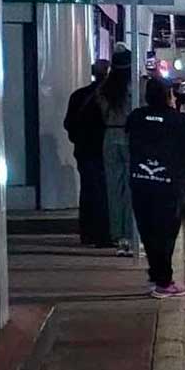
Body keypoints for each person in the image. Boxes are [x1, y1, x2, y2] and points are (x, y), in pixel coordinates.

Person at [126, 77, 185, 298]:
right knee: (165, 232)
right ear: (168, 95)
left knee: (147, 229)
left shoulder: (136, 117)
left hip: (141, 180)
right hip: (168, 183)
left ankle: (157, 275)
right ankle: (164, 281)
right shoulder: (178, 120)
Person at [64, 59, 111, 246]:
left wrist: (79, 140)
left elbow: (68, 123)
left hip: (85, 150)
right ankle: (104, 233)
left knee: (88, 191)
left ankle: (88, 232)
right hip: (104, 150)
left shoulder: (79, 95)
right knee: (106, 192)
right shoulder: (112, 96)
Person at [98, 44, 135, 255]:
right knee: (131, 188)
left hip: (109, 136)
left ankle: (118, 236)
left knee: (113, 188)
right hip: (130, 136)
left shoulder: (104, 88)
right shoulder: (135, 86)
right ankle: (131, 234)